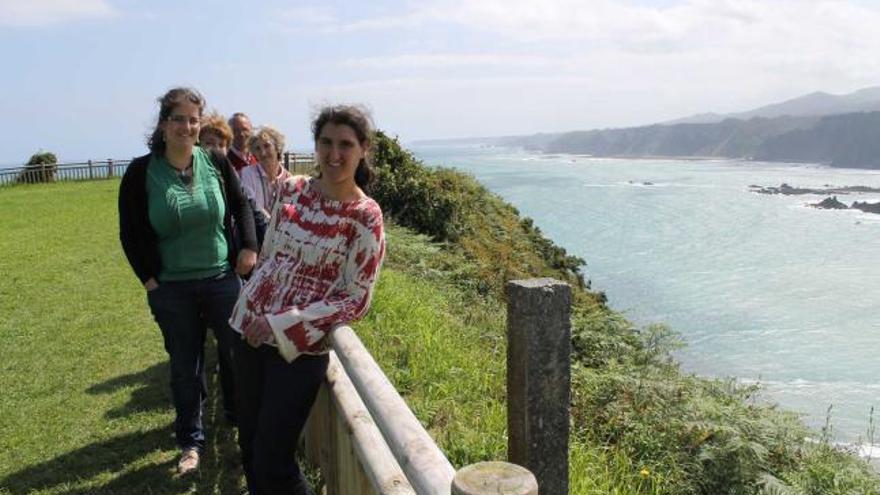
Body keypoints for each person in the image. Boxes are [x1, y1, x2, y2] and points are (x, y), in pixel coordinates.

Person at [228, 105, 386, 495]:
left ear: (363, 149)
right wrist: (252, 309)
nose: (334, 154)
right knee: (249, 445)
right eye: (326, 143)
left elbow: (356, 299)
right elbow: (268, 259)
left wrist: (281, 322)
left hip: (297, 352)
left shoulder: (365, 216)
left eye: (346, 144)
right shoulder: (291, 189)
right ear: (315, 146)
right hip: (246, 332)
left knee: (274, 460)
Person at [118, 87, 258, 475]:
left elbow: (242, 204)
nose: (186, 126)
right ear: (163, 124)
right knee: (185, 366)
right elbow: (129, 231)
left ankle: (242, 423)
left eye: (193, 119)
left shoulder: (214, 160)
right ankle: (190, 443)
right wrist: (149, 280)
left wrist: (248, 247)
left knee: (237, 354)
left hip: (220, 278)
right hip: (172, 288)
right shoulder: (141, 172)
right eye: (178, 118)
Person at [239, 126, 291, 222]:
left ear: (277, 148)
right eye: (258, 149)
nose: (263, 153)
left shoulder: (288, 179)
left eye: (267, 146)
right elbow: (252, 205)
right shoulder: (248, 173)